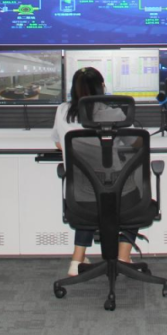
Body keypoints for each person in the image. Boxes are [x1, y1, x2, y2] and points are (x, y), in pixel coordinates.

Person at [52, 67, 139, 276]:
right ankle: (123, 255)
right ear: (102, 87)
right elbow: (136, 143)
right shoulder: (114, 113)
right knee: (136, 199)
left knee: (89, 196)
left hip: (80, 193)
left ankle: (76, 260)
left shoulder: (62, 111)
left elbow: (59, 143)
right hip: (117, 193)